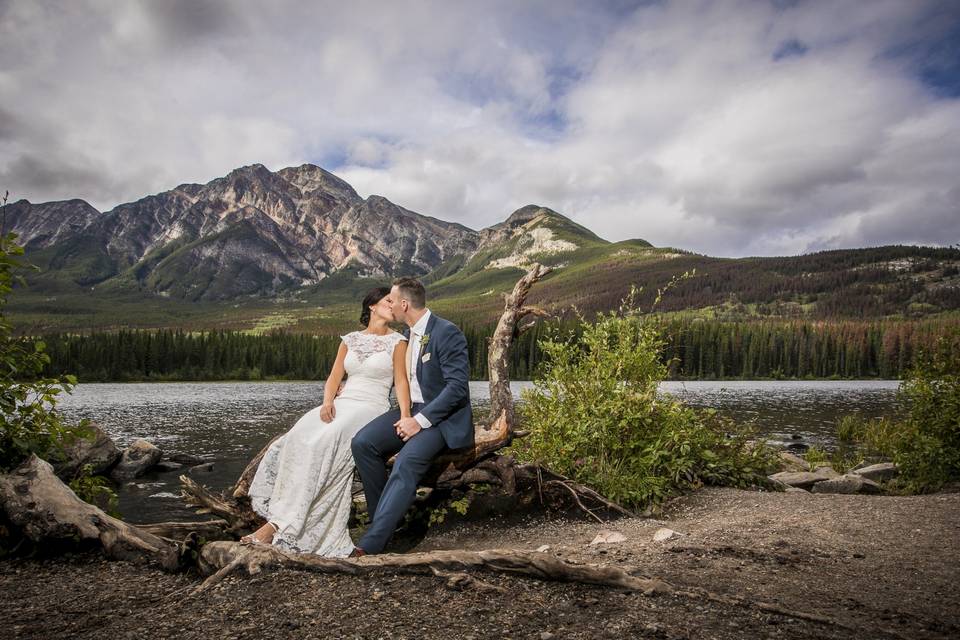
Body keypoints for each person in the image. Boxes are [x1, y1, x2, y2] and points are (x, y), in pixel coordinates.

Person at [243, 287, 409, 557]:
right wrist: (328, 401)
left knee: (325, 443)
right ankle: (279, 515)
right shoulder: (350, 339)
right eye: (388, 301)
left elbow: (401, 381)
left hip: (371, 406)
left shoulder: (398, 342)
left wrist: (404, 415)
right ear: (372, 307)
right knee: (294, 438)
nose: (394, 305)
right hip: (343, 402)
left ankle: (276, 527)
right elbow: (334, 377)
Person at [350, 277, 474, 556]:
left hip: (442, 418)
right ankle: (384, 521)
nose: (389, 305)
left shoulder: (446, 332)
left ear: (404, 304)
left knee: (405, 463)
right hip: (412, 410)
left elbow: (457, 389)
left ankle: (371, 544)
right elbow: (401, 378)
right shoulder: (407, 337)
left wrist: (418, 421)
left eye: (391, 300)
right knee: (363, 443)